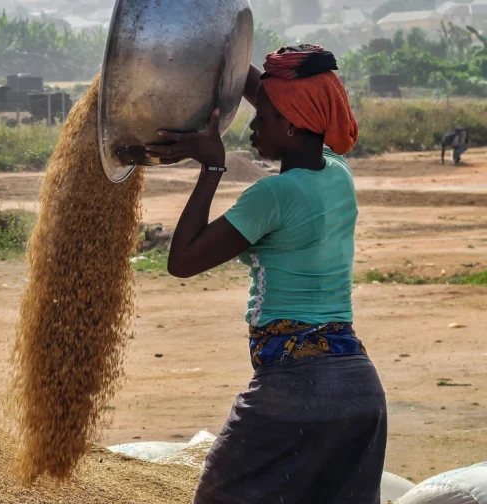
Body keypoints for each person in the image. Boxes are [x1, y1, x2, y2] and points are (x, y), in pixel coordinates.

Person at [145, 44, 387, 503]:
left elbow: (182, 261)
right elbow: (268, 93)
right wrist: (225, 49)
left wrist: (212, 165)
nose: (253, 125)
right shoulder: (337, 175)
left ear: (293, 124)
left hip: (296, 389)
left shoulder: (272, 196)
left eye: (264, 119)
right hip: (360, 391)